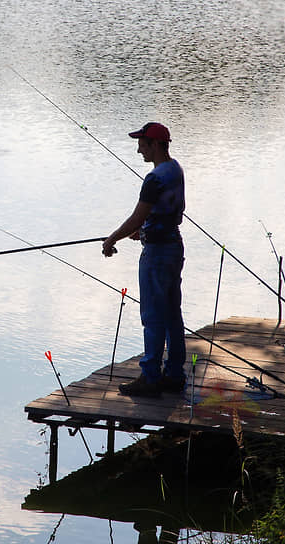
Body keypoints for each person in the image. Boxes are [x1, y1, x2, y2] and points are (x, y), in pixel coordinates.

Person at [102, 122, 187, 398]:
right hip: (174, 247)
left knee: (152, 316)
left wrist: (112, 239)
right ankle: (174, 374)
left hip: (157, 255)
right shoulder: (175, 170)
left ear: (155, 144)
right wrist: (146, 228)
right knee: (173, 313)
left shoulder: (154, 179)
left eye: (142, 143)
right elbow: (169, 211)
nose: (138, 149)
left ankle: (150, 377)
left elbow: (137, 217)